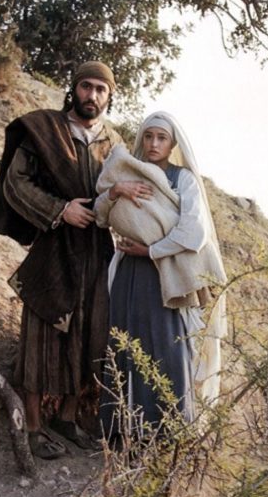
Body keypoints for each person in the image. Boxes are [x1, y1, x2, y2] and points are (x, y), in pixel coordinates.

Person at [0, 61, 123, 458]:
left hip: (98, 251)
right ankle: (33, 427)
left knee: (90, 334)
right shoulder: (45, 129)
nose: (91, 96)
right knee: (42, 334)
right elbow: (15, 182)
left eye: (100, 89)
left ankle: (69, 417)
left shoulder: (116, 143)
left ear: (110, 96)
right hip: (55, 246)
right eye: (85, 87)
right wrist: (61, 210)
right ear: (73, 89)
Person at [95, 111, 227, 439]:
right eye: (149, 136)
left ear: (172, 144)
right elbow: (99, 215)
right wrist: (116, 193)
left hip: (166, 274)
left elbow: (193, 233)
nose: (154, 144)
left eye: (161, 138)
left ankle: (167, 435)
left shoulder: (184, 180)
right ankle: (124, 433)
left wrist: (151, 251)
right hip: (128, 272)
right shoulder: (127, 172)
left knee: (168, 348)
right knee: (125, 345)